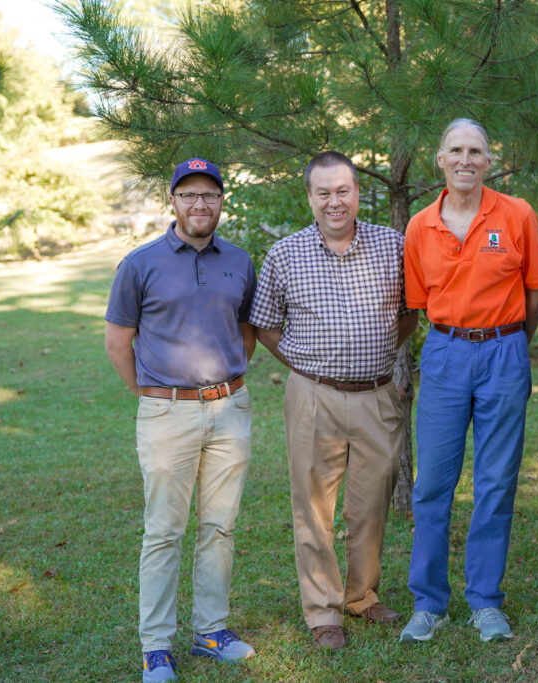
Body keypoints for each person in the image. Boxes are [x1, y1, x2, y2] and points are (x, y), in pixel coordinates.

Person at [247, 151, 418, 652]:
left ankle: (361, 596)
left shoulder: (393, 246)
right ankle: (324, 611)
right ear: (309, 197)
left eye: (343, 190)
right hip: (313, 396)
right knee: (313, 508)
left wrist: (383, 348)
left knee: (370, 506)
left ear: (358, 192)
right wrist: (306, 363)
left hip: (377, 394)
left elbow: (410, 312)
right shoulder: (285, 253)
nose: (333, 201)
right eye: (323, 192)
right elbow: (266, 325)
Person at [105, 158, 258, 682]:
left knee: (220, 526)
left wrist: (222, 389)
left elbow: (245, 332)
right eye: (189, 195)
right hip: (166, 411)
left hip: (230, 410)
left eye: (209, 195)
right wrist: (156, 396)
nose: (200, 204)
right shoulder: (140, 264)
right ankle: (156, 648)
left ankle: (211, 631)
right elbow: (117, 342)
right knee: (164, 532)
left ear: (221, 202)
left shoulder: (239, 261)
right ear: (172, 201)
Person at [400, 119, 538, 644]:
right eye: (456, 150)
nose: (466, 159)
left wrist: (512, 342)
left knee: (495, 480)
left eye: (476, 151)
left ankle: (485, 600)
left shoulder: (517, 214)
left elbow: (535, 291)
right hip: (444, 353)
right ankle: (429, 603)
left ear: (490, 160)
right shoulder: (420, 226)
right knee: (433, 483)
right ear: (439, 159)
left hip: (505, 351)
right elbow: (418, 303)